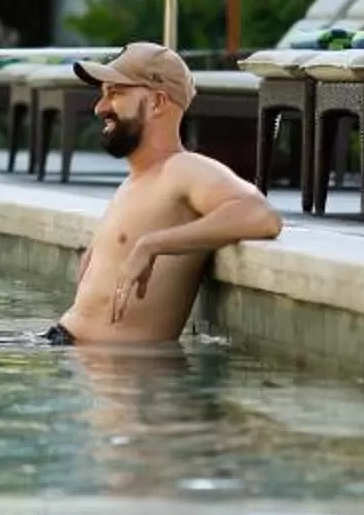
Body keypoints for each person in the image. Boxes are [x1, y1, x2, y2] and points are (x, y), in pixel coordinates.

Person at [45, 41, 283, 346]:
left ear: (157, 102)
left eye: (115, 93)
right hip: (70, 351)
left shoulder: (183, 169)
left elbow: (261, 216)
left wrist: (152, 245)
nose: (99, 107)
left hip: (112, 368)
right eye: (102, 94)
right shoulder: (134, 183)